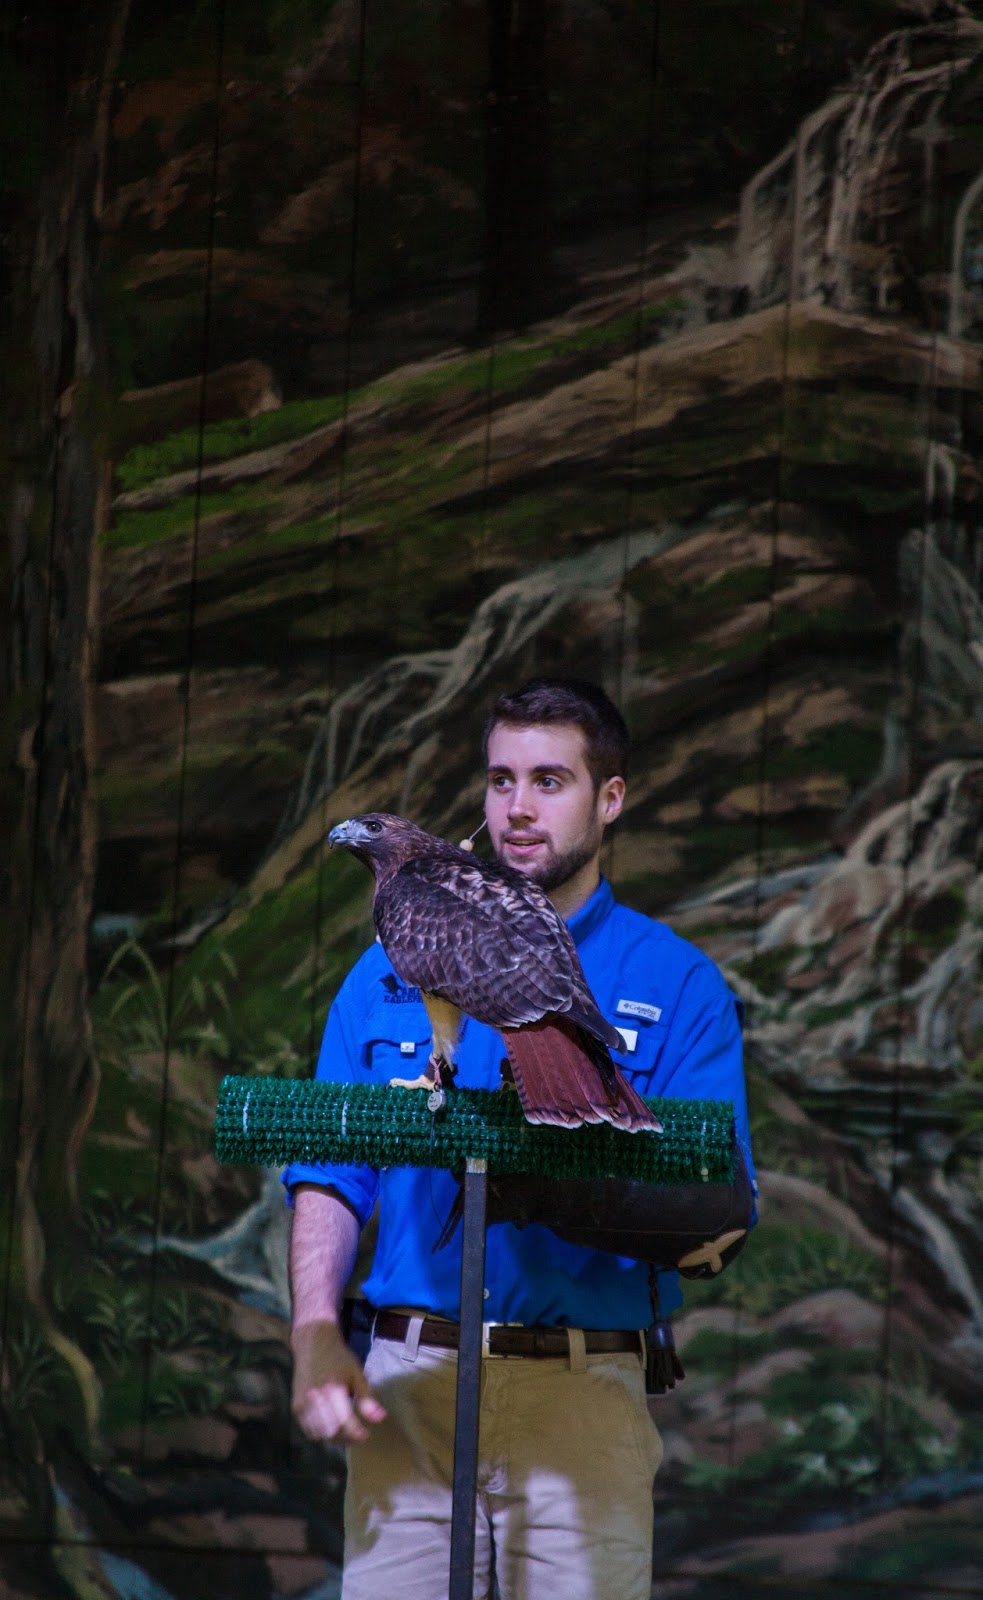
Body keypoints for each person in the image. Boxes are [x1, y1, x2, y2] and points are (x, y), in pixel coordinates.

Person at [284, 677, 755, 1600]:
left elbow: (718, 1212)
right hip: (409, 1385)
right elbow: (331, 1167)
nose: (518, 808)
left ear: (608, 798)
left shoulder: (679, 982)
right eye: (501, 781)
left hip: (581, 1396)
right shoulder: (387, 959)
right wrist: (311, 1331)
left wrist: (570, 1187)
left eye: (549, 780)